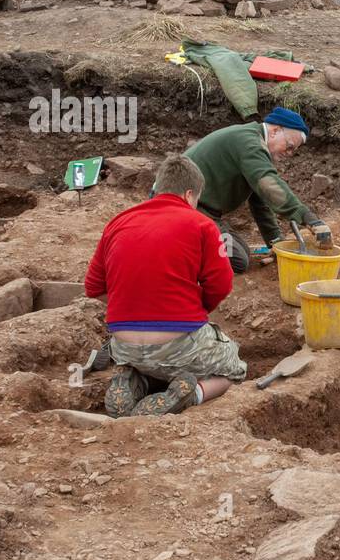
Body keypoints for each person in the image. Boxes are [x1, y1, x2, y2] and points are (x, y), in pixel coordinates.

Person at [84, 154, 246, 417]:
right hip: (178, 345)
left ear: (157, 189)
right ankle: (192, 394)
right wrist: (193, 310)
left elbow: (93, 288)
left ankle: (134, 379)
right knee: (235, 368)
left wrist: (132, 304)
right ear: (189, 194)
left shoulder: (117, 222)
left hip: (124, 345)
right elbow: (221, 284)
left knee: (146, 361)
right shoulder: (202, 224)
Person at [184, 107, 332, 273]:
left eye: (293, 150)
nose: (289, 153)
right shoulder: (249, 143)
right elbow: (268, 184)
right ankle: (179, 251)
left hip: (201, 211)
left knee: (240, 251)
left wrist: (275, 242)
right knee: (238, 260)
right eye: (289, 146)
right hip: (183, 209)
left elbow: (259, 201)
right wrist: (308, 218)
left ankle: (190, 241)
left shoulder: (252, 143)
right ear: (275, 131)